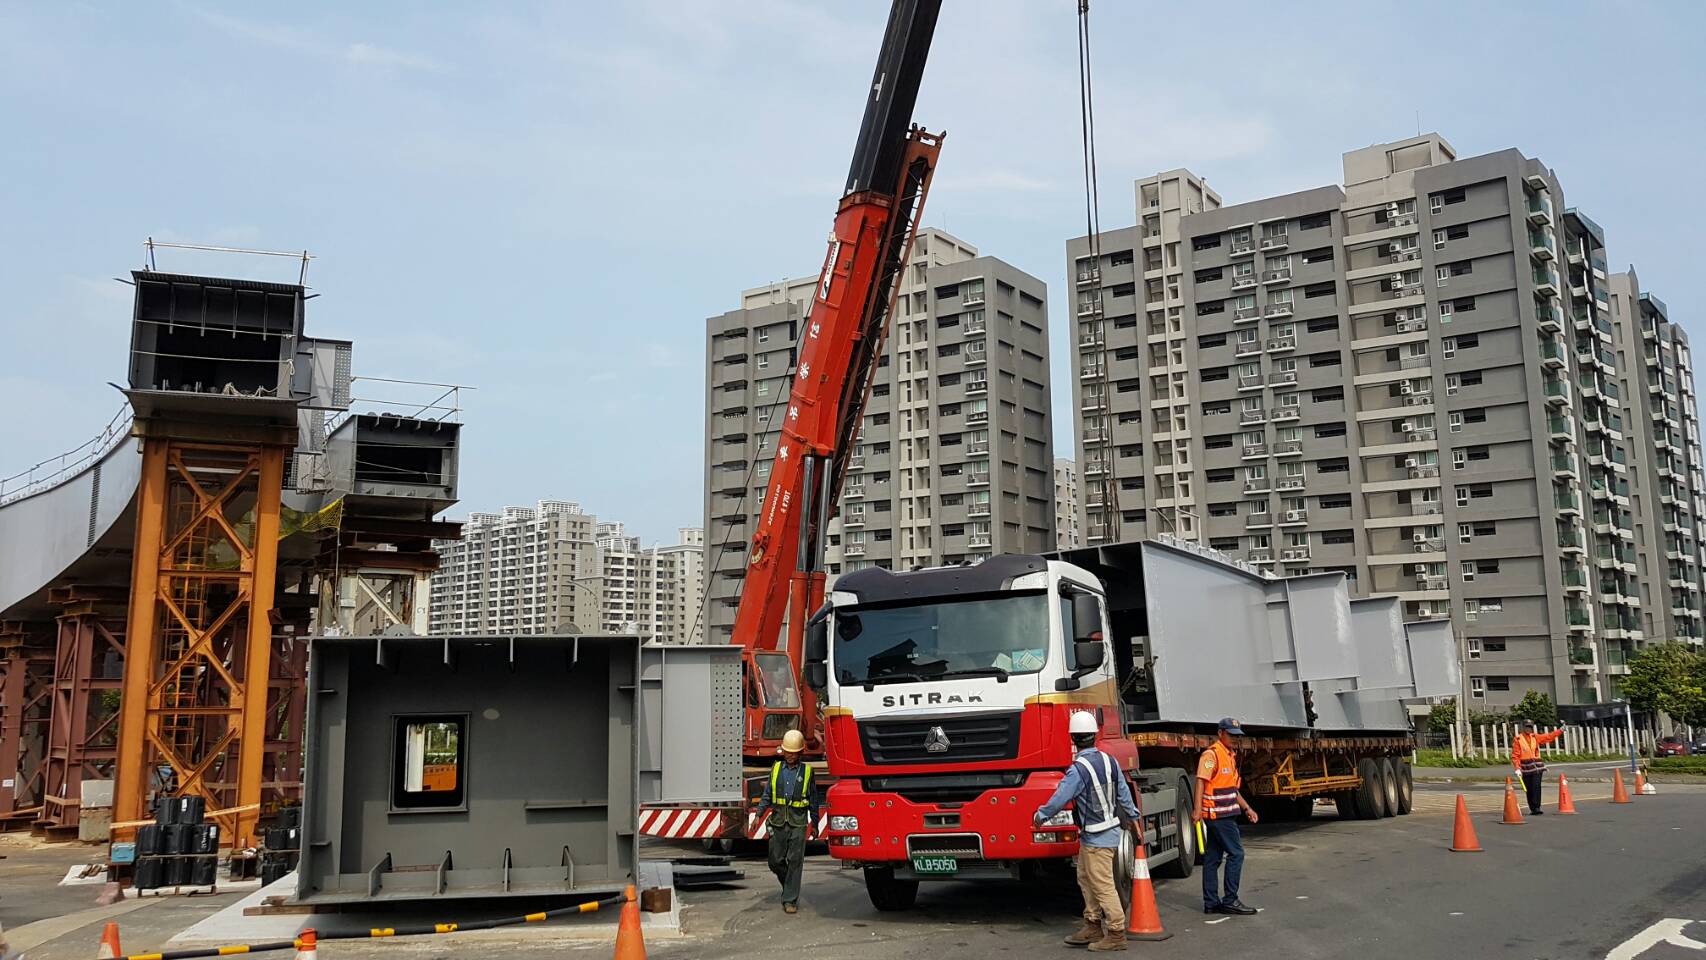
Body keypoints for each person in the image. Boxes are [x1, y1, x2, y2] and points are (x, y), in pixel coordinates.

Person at [1033, 710, 1141, 952]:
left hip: (1096, 837)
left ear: (1073, 738)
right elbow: (1123, 792)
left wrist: (1040, 816)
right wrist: (1134, 816)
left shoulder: (1078, 770)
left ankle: (1116, 933)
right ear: (1095, 735)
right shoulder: (1110, 761)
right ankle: (1093, 924)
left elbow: (1060, 798)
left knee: (1102, 884)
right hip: (1104, 834)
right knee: (1085, 877)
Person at [1193, 717, 1258, 916]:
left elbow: (1232, 789)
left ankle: (1211, 903)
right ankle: (1230, 900)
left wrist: (1247, 808)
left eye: (1237, 736)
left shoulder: (1229, 755)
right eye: (1231, 735)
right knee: (1236, 854)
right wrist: (1197, 810)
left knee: (1213, 858)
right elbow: (1200, 781)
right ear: (1220, 733)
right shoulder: (1211, 755)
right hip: (1218, 815)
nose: (1235, 739)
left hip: (1225, 814)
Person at [754, 729, 815, 914]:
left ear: (800, 752)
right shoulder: (776, 769)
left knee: (795, 861)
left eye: (793, 752)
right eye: (787, 752)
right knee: (775, 861)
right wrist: (758, 815)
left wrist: (815, 823)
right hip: (778, 820)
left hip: (798, 822)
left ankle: (790, 900)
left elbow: (813, 799)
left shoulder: (807, 772)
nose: (790, 755)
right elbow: (767, 794)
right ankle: (789, 884)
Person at [1511, 720, 1564, 815]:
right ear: (1523, 727)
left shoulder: (1535, 737)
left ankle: (1537, 807)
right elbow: (1515, 755)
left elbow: (1548, 737)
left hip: (1537, 767)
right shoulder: (1518, 739)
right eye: (1527, 726)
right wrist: (1517, 768)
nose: (1529, 729)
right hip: (1525, 767)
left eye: (1530, 727)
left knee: (1536, 786)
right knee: (1529, 788)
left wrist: (1560, 730)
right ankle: (1532, 808)